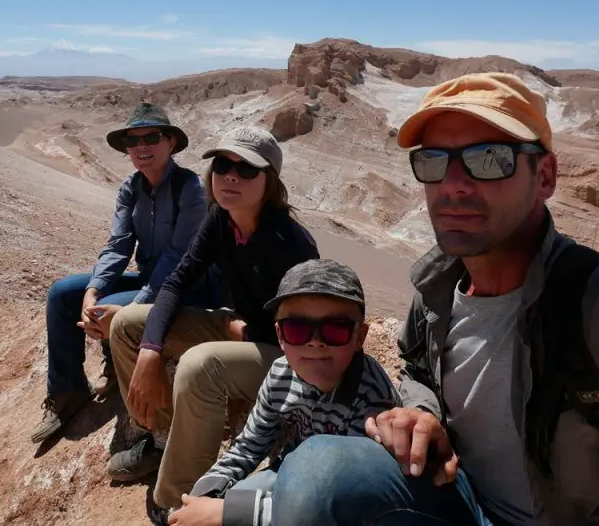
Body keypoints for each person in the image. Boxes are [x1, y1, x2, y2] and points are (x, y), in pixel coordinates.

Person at [270, 73, 599, 526]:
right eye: (434, 160)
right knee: (320, 472)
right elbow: (416, 367)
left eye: (489, 158)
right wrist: (422, 411)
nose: (453, 184)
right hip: (469, 506)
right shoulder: (435, 296)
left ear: (545, 175)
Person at [102, 125, 321, 524]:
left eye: (246, 169)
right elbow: (177, 281)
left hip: (287, 354)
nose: (230, 176)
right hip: (244, 329)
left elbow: (306, 331)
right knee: (129, 324)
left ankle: (178, 498)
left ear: (269, 180)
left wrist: (246, 333)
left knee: (201, 365)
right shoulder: (220, 220)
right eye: (223, 165)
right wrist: (150, 352)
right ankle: (163, 440)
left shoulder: (290, 243)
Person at [30, 102, 218, 445]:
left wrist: (134, 304)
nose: (141, 147)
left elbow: (179, 257)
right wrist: (95, 289)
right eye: (133, 141)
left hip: (187, 289)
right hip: (151, 279)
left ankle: (123, 377)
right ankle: (68, 392)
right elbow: (118, 244)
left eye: (151, 137)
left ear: (170, 143)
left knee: (115, 309)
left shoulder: (191, 189)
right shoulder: (131, 189)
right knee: (63, 294)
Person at [169, 258, 400, 526]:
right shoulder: (281, 374)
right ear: (279, 335)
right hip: (288, 473)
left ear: (360, 337)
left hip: (337, 496)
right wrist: (206, 494)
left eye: (335, 329)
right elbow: (249, 446)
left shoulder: (373, 398)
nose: (315, 342)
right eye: (297, 329)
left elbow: (348, 500)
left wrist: (229, 513)